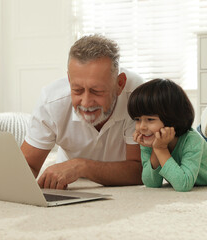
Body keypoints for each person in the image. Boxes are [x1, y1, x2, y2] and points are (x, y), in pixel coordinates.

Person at [21, 34, 144, 189]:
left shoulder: (137, 96)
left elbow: (140, 170)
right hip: (71, 183)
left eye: (97, 91)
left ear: (120, 84)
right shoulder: (51, 101)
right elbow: (28, 165)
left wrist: (81, 166)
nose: (86, 103)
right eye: (77, 90)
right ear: (69, 79)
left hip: (122, 186)